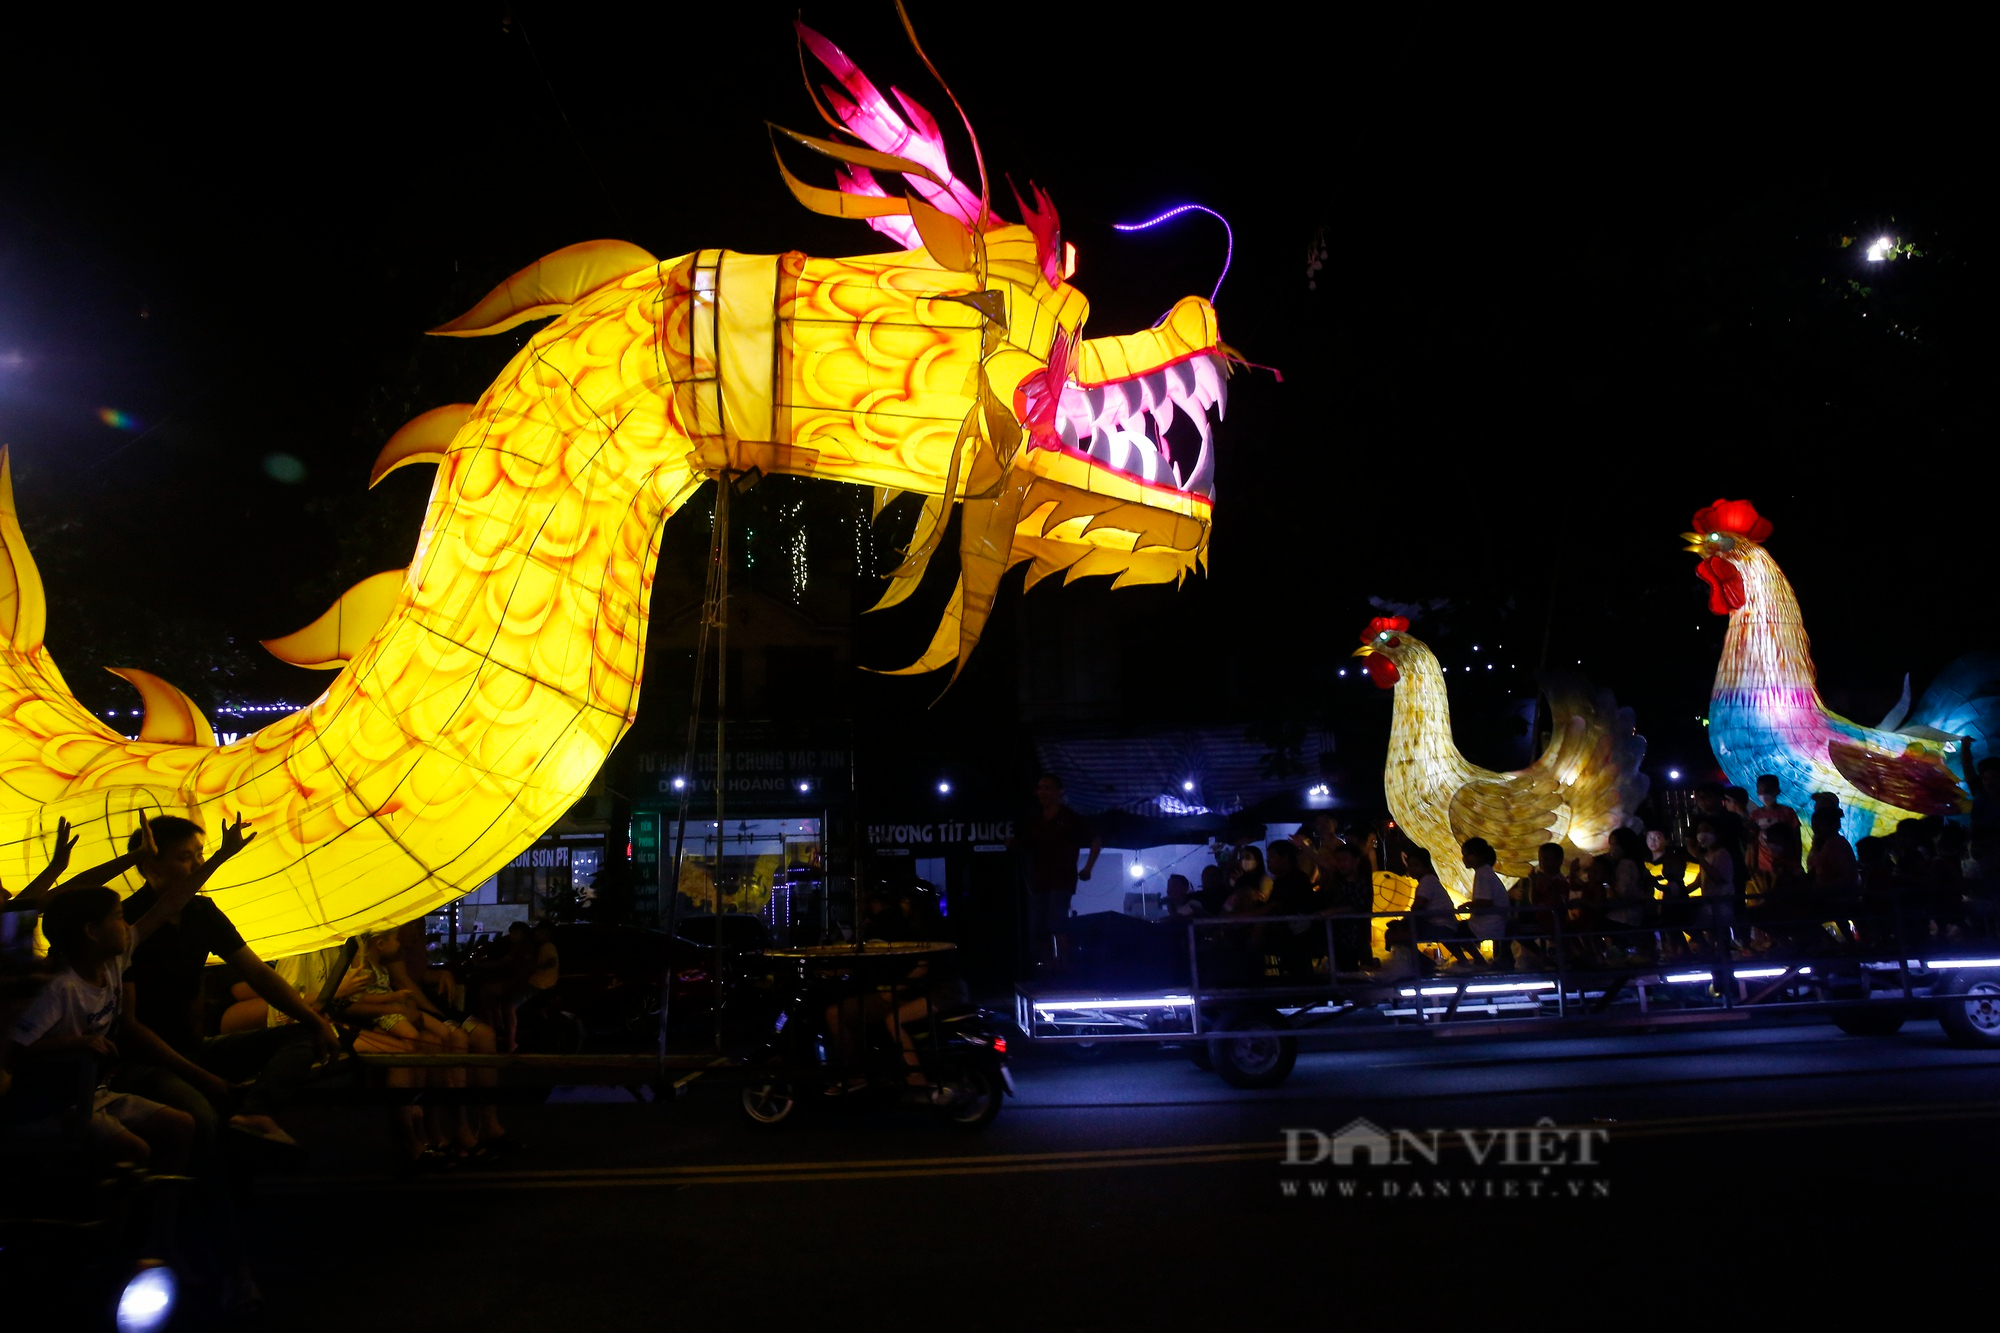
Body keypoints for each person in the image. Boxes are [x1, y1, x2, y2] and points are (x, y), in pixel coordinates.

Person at [112, 816, 339, 1157]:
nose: (198, 865)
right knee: (203, 1118)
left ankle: (254, 1113)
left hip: (193, 1047)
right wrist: (205, 1079)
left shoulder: (201, 911)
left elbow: (259, 974)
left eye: (201, 854)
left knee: (304, 1033)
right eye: (185, 857)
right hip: (142, 1061)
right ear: (149, 866)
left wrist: (314, 1020)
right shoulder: (124, 925)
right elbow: (130, 1029)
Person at [1, 871, 205, 1171]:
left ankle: (161, 1209)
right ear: (92, 932)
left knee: (181, 1125)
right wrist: (77, 1043)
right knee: (134, 1151)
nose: (126, 926)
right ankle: (115, 1212)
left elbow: (166, 907)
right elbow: (12, 1051)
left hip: (91, 1093)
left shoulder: (112, 964)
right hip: (51, 1105)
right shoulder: (61, 989)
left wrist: (219, 858)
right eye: (118, 917)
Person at [1013, 774, 1100, 971]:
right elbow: (1025, 845)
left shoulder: (1069, 818)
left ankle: (1066, 966)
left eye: (1048, 788)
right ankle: (1050, 967)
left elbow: (1096, 840)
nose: (1043, 792)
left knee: (1056, 923)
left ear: (1058, 792)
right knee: (1036, 928)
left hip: (1062, 879)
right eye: (1040, 788)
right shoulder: (1034, 821)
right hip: (1039, 881)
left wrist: (1088, 868)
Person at [1408, 847, 1477, 966]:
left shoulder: (1427, 882)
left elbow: (1418, 906)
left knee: (1401, 935)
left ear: (1425, 866)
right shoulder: (1431, 881)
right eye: (1409, 865)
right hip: (1445, 923)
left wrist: (1404, 920)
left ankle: (1424, 964)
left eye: (1416, 865)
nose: (1411, 869)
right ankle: (1464, 960)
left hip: (1440, 924)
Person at [1600, 828, 1655, 961]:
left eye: (1614, 844)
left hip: (1623, 916)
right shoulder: (1637, 864)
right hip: (1634, 913)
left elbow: (1622, 892)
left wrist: (1606, 883)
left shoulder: (1626, 864)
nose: (1612, 848)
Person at [1461, 838, 1511, 969]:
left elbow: (1485, 901)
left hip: (1489, 921)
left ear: (1480, 855)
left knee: (1455, 932)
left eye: (1468, 854)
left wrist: (1468, 905)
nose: (1465, 858)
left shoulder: (1482, 873)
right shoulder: (1485, 872)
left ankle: (1476, 960)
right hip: (1495, 920)